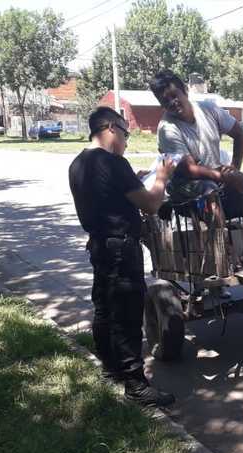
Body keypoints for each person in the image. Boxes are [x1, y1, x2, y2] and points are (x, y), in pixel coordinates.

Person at [68, 106, 177, 407]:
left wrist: (133, 178)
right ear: (111, 128)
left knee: (105, 309)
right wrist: (162, 177)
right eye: (126, 134)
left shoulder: (79, 163)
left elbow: (109, 194)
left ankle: (111, 369)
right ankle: (136, 386)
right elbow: (151, 204)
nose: (127, 141)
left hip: (100, 246)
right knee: (127, 316)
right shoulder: (114, 163)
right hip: (121, 249)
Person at [149, 69, 243, 266]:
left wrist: (234, 169)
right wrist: (224, 177)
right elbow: (189, 170)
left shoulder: (208, 109)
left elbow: (240, 135)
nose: (172, 102)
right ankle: (223, 257)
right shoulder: (167, 129)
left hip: (215, 176)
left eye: (175, 95)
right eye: (165, 101)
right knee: (210, 192)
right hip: (186, 186)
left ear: (185, 90)